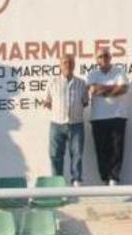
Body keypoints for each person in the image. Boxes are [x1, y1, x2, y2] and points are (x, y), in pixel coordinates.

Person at [44, 54, 88, 186]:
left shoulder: (81, 83)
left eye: (70, 62)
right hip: (57, 124)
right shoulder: (52, 82)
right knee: (55, 155)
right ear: (60, 65)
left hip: (76, 124)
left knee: (77, 155)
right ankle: (58, 182)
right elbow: (48, 101)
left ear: (74, 65)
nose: (67, 65)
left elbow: (85, 102)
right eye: (64, 63)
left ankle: (76, 180)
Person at [88, 49, 129, 186]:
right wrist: (113, 88)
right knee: (101, 150)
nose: (103, 58)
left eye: (106, 55)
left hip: (117, 116)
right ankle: (105, 177)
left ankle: (114, 178)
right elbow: (93, 90)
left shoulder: (119, 71)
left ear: (110, 57)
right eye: (100, 56)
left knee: (117, 149)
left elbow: (123, 89)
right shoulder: (92, 74)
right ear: (96, 59)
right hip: (98, 118)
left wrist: (103, 89)